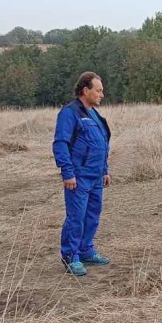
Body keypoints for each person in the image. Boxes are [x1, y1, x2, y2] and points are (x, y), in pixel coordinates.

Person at [52, 72, 112, 276]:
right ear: (85, 90)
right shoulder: (70, 113)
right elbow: (61, 144)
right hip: (78, 177)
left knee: (92, 216)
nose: (101, 94)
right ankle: (71, 257)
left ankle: (86, 250)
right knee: (76, 217)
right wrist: (67, 173)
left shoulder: (94, 113)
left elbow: (102, 143)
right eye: (98, 90)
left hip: (96, 177)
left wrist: (104, 170)